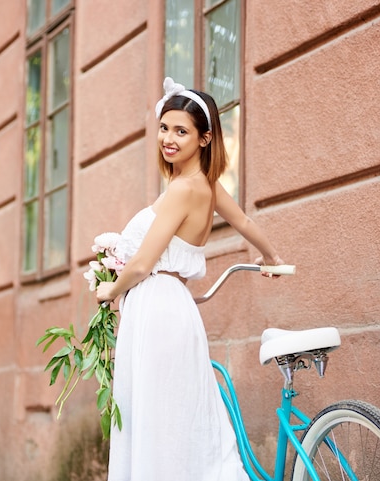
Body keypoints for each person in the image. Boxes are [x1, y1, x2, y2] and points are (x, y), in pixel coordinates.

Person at [96, 77, 284, 481]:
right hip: (171, 307)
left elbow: (145, 263)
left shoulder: (184, 190)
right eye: (164, 127)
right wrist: (271, 256)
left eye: (181, 131)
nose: (168, 137)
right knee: (177, 420)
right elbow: (245, 222)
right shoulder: (209, 188)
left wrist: (109, 289)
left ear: (204, 138)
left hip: (157, 309)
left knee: (157, 422)